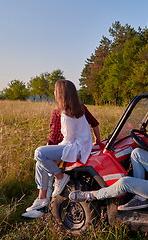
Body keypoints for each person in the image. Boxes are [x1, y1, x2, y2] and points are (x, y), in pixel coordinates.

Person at [24, 79, 101, 213]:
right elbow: (94, 124)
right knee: (40, 162)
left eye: (55, 91)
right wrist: (98, 141)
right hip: (83, 147)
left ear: (59, 94)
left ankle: (60, 177)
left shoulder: (59, 112)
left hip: (73, 147)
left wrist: (50, 149)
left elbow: (57, 138)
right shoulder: (81, 108)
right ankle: (42, 199)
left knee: (40, 154)